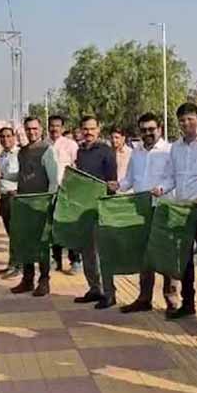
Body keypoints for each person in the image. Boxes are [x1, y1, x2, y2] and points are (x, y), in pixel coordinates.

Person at [109, 113, 178, 315]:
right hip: (141, 209)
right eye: (144, 130)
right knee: (144, 254)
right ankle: (144, 298)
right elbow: (130, 179)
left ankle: (171, 299)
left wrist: (162, 188)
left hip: (163, 208)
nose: (148, 133)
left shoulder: (169, 151)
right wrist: (118, 186)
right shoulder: (136, 152)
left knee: (165, 254)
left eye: (151, 129)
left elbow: (174, 178)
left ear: (160, 129)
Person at [161, 103, 197, 326]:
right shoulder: (175, 148)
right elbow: (171, 177)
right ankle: (188, 305)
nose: (186, 124)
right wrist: (161, 188)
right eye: (182, 120)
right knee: (184, 261)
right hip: (182, 211)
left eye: (190, 119)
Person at [0, 117, 58, 297]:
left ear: (41, 129)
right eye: (28, 129)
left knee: (42, 244)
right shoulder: (22, 152)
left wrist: (50, 202)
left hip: (40, 205)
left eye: (34, 128)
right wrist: (4, 176)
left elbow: (54, 180)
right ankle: (27, 279)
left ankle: (44, 281)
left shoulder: (47, 150)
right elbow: (22, 175)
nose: (31, 132)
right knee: (24, 242)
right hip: (24, 205)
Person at [73, 115, 119, 309]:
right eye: (85, 129)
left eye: (92, 129)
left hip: (101, 208)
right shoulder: (80, 152)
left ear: (99, 130)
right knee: (87, 252)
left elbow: (112, 182)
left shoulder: (106, 151)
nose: (89, 132)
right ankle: (94, 288)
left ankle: (109, 293)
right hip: (83, 208)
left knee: (103, 253)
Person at [47, 115, 83, 274]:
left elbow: (78, 166)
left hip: (68, 192)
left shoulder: (70, 145)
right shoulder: (45, 145)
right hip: (50, 192)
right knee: (53, 227)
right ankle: (56, 260)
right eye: (51, 126)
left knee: (69, 226)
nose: (54, 129)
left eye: (57, 126)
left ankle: (75, 260)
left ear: (62, 128)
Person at [0, 127, 21, 278]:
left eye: (9, 136)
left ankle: (19, 266)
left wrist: (3, 175)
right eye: (2, 137)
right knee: (11, 234)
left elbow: (21, 175)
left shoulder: (19, 154)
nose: (5, 139)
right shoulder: (3, 154)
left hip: (14, 197)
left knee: (17, 234)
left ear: (14, 137)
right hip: (4, 197)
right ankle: (12, 264)